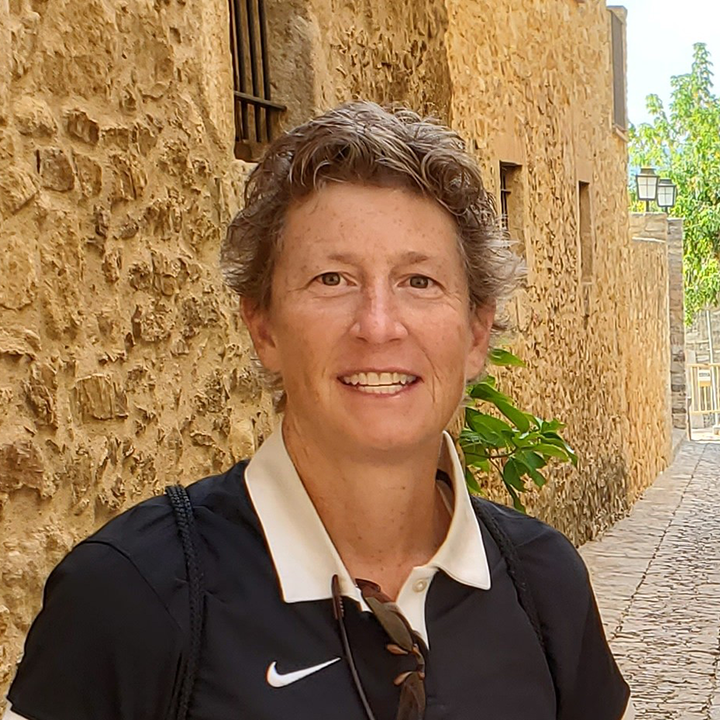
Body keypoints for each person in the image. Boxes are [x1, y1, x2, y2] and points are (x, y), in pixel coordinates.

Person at [3, 102, 633, 720]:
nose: (378, 326)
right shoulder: (130, 596)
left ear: (475, 334)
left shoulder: (545, 587)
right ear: (264, 326)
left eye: (420, 281)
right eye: (332, 279)